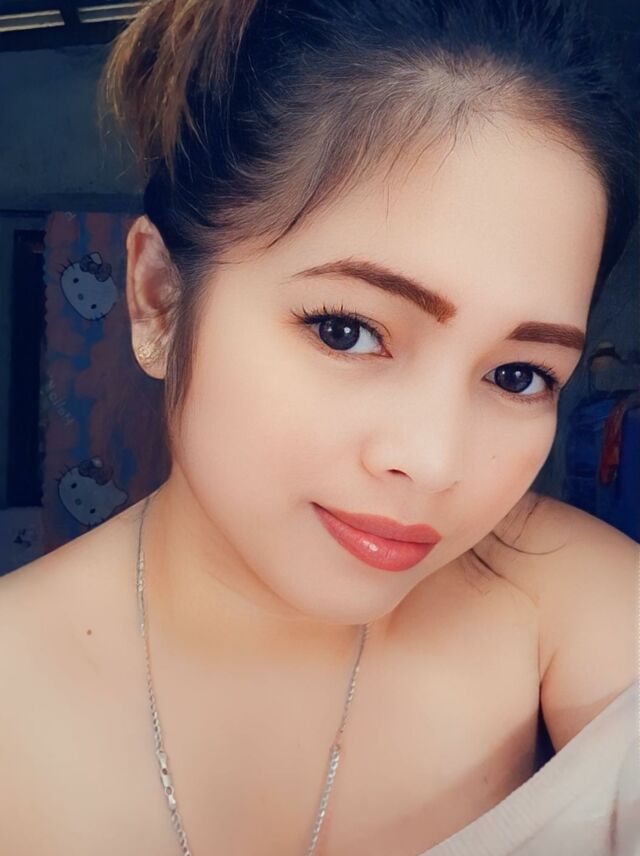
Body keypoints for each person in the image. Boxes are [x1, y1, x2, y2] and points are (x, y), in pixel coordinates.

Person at [0, 1, 638, 854]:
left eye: (518, 376)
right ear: (159, 298)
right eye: (346, 330)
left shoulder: (565, 598)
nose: (433, 461)